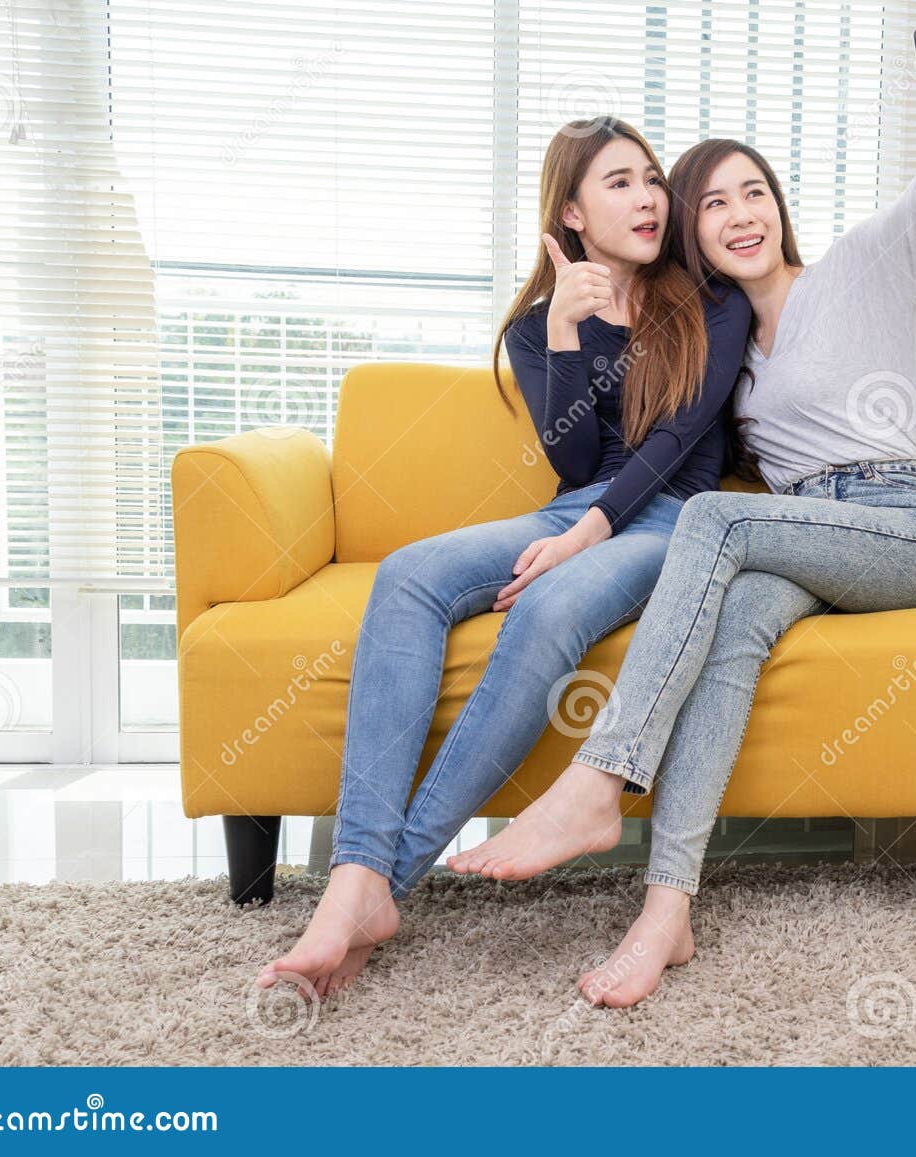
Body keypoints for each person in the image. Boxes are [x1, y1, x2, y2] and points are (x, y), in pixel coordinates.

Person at [453, 26, 916, 1007]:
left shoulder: (863, 264)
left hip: (908, 525)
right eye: (711, 202)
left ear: (779, 205)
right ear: (692, 233)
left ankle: (599, 784)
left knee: (714, 522)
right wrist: (569, 325)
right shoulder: (726, 356)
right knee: (732, 620)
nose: (738, 213)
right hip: (811, 536)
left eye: (752, 191)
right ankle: (664, 912)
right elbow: (623, 447)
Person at [256, 115, 751, 999]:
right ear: (571, 211)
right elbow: (573, 463)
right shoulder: (535, 326)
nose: (647, 197)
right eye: (617, 182)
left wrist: (581, 538)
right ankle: (357, 874)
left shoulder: (713, 299)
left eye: (649, 177)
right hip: (576, 508)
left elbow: (675, 445)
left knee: (550, 605)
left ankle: (378, 883)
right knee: (406, 572)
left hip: (676, 519)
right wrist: (566, 333)